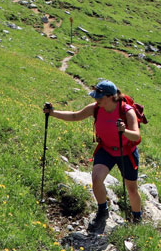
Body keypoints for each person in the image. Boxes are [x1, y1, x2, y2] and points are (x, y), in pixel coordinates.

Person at [43, 80, 142, 233]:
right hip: (106, 150)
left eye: (99, 97)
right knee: (96, 179)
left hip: (126, 152)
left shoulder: (127, 111)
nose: (96, 100)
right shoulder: (96, 108)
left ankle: (137, 218)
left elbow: (136, 136)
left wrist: (124, 131)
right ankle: (103, 211)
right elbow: (75, 116)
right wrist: (53, 112)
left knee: (131, 189)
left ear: (110, 97)